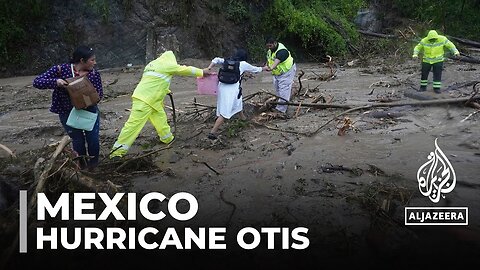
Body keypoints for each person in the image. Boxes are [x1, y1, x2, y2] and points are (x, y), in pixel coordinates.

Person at [109, 50, 213, 159]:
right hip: (146, 100)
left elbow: (155, 81)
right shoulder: (167, 65)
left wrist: (166, 90)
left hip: (150, 98)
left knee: (160, 118)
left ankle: (167, 138)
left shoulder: (152, 64)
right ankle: (116, 152)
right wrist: (202, 72)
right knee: (133, 125)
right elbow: (184, 69)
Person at [33, 45, 103, 170]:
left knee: (93, 139)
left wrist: (88, 99)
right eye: (92, 60)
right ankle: (81, 167)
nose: (95, 63)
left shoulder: (94, 74)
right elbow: (37, 82)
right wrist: (56, 82)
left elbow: (99, 94)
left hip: (89, 111)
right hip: (67, 111)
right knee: (77, 140)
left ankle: (94, 166)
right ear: (82, 60)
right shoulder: (61, 70)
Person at [206, 48, 268, 140]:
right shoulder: (243, 64)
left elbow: (216, 59)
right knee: (225, 112)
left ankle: (243, 118)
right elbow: (256, 69)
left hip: (222, 87)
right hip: (232, 89)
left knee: (238, 101)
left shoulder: (226, 61)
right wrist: (265, 68)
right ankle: (213, 132)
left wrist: (209, 67)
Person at [264, 37, 297, 114]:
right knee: (277, 88)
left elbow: (276, 62)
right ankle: (279, 103)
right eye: (268, 46)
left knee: (284, 90)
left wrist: (270, 68)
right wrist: (266, 65)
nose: (269, 47)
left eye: (270, 46)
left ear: (275, 43)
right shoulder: (270, 50)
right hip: (277, 73)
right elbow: (269, 59)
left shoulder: (282, 51)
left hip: (287, 72)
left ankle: (281, 110)